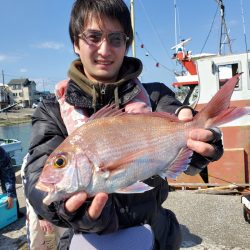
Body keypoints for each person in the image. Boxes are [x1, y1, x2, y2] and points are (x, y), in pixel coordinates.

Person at [23, 0, 223, 249]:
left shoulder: (155, 96)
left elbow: (187, 154)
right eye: (93, 37)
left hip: (156, 234)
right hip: (82, 239)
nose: (105, 50)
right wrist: (63, 210)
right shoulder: (51, 109)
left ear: (126, 44)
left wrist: (205, 143)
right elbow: (36, 180)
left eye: (116, 39)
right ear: (76, 42)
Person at [0, 146, 23, 218]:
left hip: (3, 170)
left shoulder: (2, 155)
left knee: (9, 194)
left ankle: (14, 212)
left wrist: (10, 195)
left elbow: (8, 177)